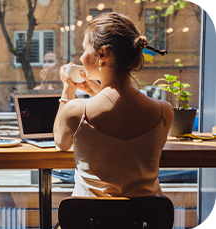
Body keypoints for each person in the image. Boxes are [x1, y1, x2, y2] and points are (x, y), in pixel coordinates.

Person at [53, 12, 174, 198]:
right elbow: (123, 117)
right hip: (143, 223)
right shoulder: (164, 112)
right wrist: (97, 93)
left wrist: (68, 90)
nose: (81, 58)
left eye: (85, 49)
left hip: (89, 223)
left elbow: (61, 143)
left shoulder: (76, 111)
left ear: (102, 54)